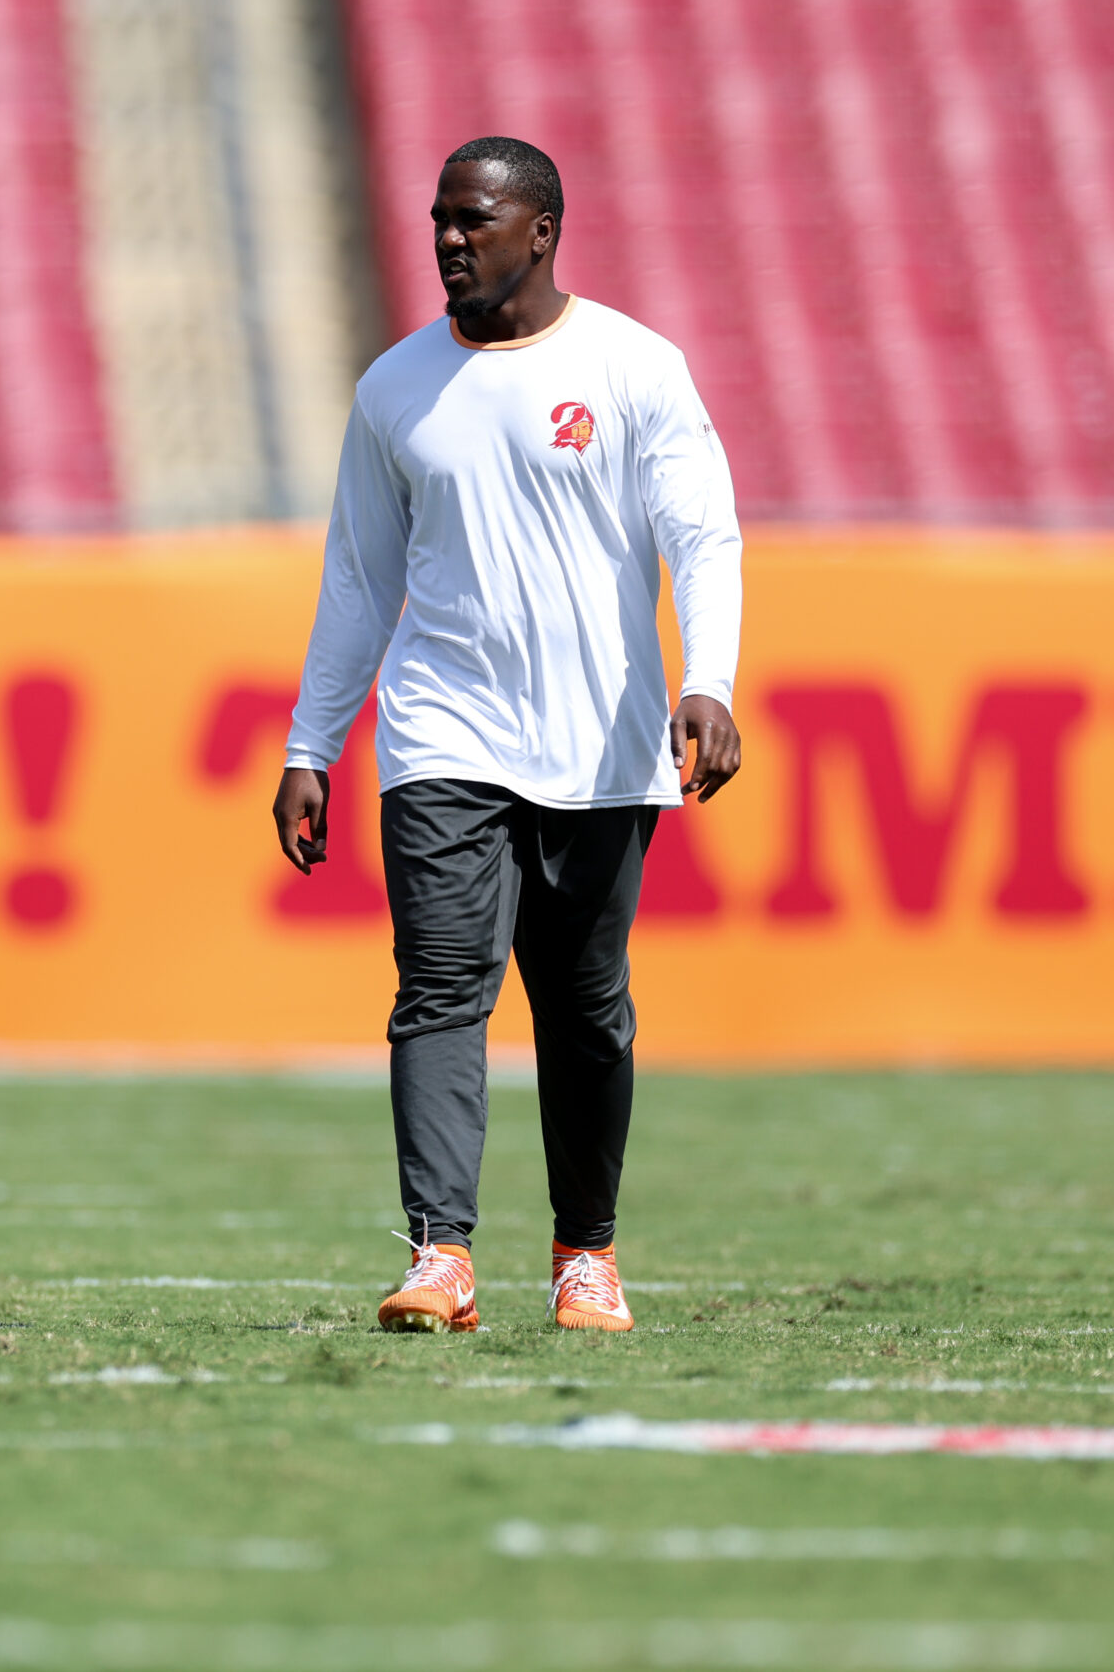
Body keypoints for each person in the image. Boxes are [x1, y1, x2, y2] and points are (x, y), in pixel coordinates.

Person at [272, 136, 744, 1334]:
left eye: (471, 219)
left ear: (541, 231)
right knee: (438, 988)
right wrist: (310, 745)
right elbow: (358, 581)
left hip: (602, 745)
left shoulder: (634, 366)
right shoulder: (394, 389)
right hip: (441, 737)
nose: (447, 238)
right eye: (438, 217)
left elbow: (701, 535)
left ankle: (586, 1252)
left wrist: (711, 680)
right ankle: (440, 1253)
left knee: (585, 1013)